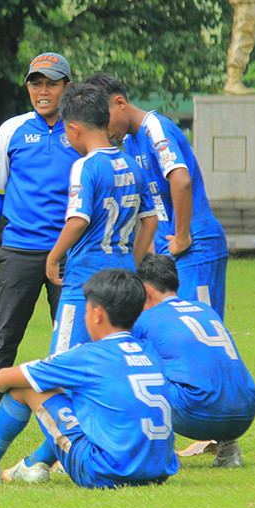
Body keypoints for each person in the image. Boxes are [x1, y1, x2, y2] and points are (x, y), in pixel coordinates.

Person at [0, 268, 179, 489]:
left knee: (25, 389)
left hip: (104, 472)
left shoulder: (87, 356)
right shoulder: (149, 351)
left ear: (96, 315)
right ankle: (33, 465)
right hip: (159, 470)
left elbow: (2, 378)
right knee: (83, 399)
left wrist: (11, 381)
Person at [0, 52, 79, 438]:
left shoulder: (81, 130)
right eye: (36, 83)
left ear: (67, 86)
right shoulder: (12, 130)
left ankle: (73, 419)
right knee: (5, 336)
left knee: (69, 337)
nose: (43, 90)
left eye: (51, 82)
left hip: (69, 253)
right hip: (18, 251)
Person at [86, 73, 230, 318]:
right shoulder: (130, 142)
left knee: (198, 330)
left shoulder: (155, 128)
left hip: (195, 248)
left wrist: (183, 237)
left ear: (120, 103)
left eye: (104, 120)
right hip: (168, 255)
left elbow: (181, 180)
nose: (103, 130)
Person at [44, 83, 156, 354]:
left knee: (64, 360)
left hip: (86, 279)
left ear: (73, 129)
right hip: (123, 280)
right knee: (115, 356)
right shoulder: (133, 165)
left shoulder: (85, 166)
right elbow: (150, 221)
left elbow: (78, 220)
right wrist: (132, 261)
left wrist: (53, 257)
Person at [132, 253, 255, 467]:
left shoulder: (145, 319)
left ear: (145, 290)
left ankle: (154, 454)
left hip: (196, 413)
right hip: (247, 408)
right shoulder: (206, 309)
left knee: (133, 372)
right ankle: (230, 449)